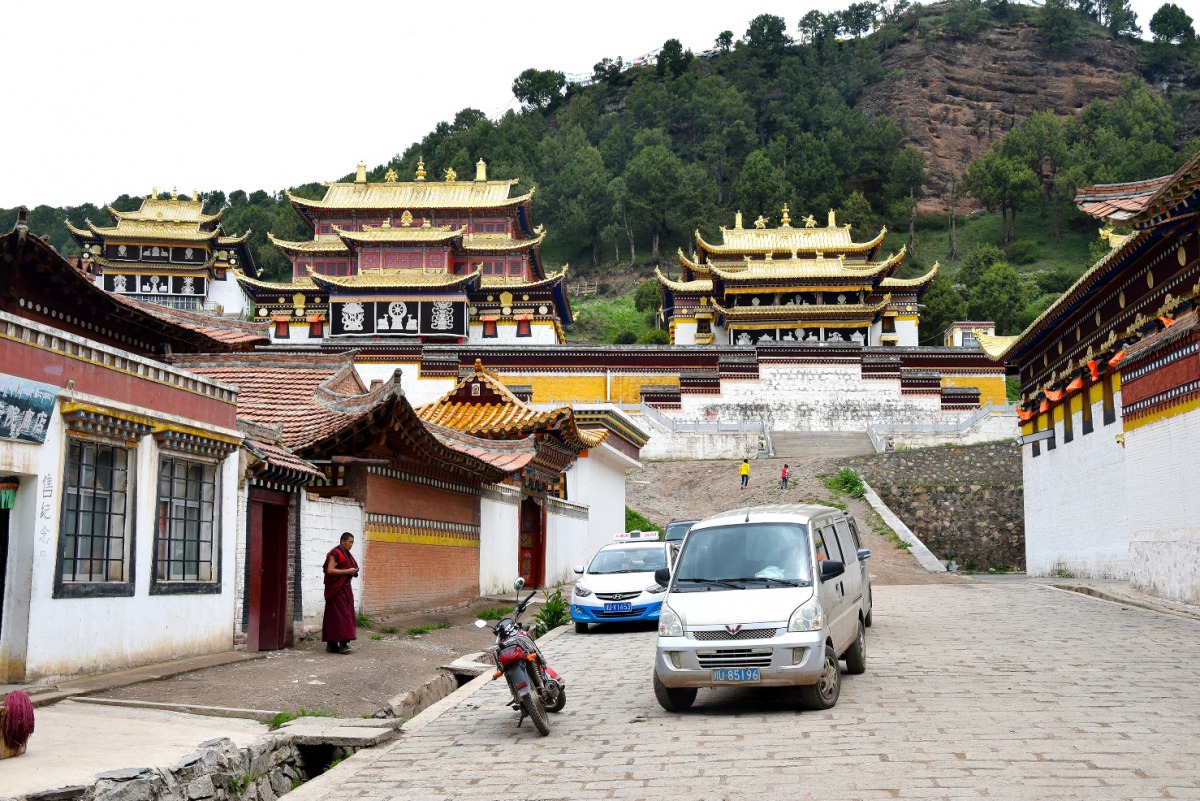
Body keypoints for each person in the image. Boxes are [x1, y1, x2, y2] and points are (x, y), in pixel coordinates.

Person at [322, 532, 359, 654]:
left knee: (341, 615)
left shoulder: (346, 554)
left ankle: (332, 644)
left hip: (344, 588)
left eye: (353, 542)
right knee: (340, 616)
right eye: (350, 542)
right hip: (336, 590)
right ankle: (342, 644)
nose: (351, 544)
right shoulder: (336, 553)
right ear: (343, 541)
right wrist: (348, 570)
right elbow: (330, 570)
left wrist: (352, 571)